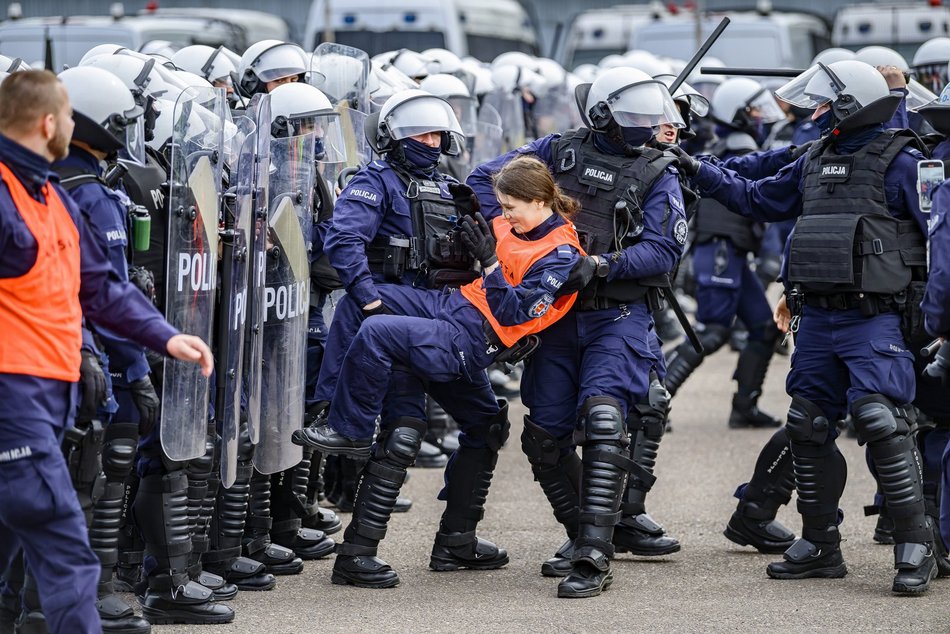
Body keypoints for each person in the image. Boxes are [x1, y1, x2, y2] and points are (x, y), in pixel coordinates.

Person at [671, 60, 936, 594]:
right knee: (808, 424)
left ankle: (915, 544)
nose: (813, 113)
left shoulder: (905, 162)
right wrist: (695, 169)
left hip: (875, 318)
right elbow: (757, 198)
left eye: (824, 104)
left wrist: (936, 317)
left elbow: (939, 236)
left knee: (881, 420)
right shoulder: (813, 158)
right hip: (817, 317)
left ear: (849, 106)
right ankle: (819, 544)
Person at [0, 70, 216, 634]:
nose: (74, 126)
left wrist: (163, 336)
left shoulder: (50, 196)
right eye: (69, 117)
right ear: (49, 123)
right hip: (13, 399)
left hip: (50, 397)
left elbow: (101, 287)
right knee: (66, 550)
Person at [468, 66, 689, 597]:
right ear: (604, 112)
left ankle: (594, 553)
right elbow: (483, 182)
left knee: (605, 417)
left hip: (616, 312)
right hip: (556, 318)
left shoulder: (658, 170)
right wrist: (517, 243)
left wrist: (601, 264)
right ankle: (582, 531)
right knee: (544, 437)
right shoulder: (557, 150)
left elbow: (664, 249)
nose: (647, 125)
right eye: (634, 114)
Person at [294, 89, 510, 589]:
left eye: (437, 134)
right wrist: (370, 300)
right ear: (393, 136)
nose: (430, 142)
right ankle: (356, 555)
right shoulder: (375, 181)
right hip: (392, 322)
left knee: (487, 424)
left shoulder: (452, 189)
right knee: (403, 433)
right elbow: (344, 240)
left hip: (446, 321)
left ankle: (457, 540)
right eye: (420, 134)